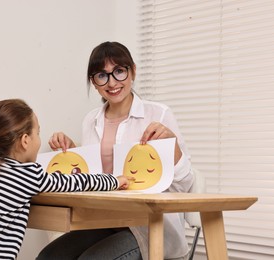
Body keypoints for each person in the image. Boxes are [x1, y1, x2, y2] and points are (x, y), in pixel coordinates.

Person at [38, 41, 194, 260]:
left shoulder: (159, 114)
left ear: (133, 72)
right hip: (103, 222)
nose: (111, 82)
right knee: (48, 257)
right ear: (94, 82)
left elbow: (184, 186)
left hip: (148, 227)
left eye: (119, 71)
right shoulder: (90, 120)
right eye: (102, 75)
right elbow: (95, 180)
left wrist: (173, 144)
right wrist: (73, 154)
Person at [0, 99, 131, 260]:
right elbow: (75, 182)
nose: (38, 139)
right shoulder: (27, 174)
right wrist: (114, 180)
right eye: (38, 133)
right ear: (25, 141)